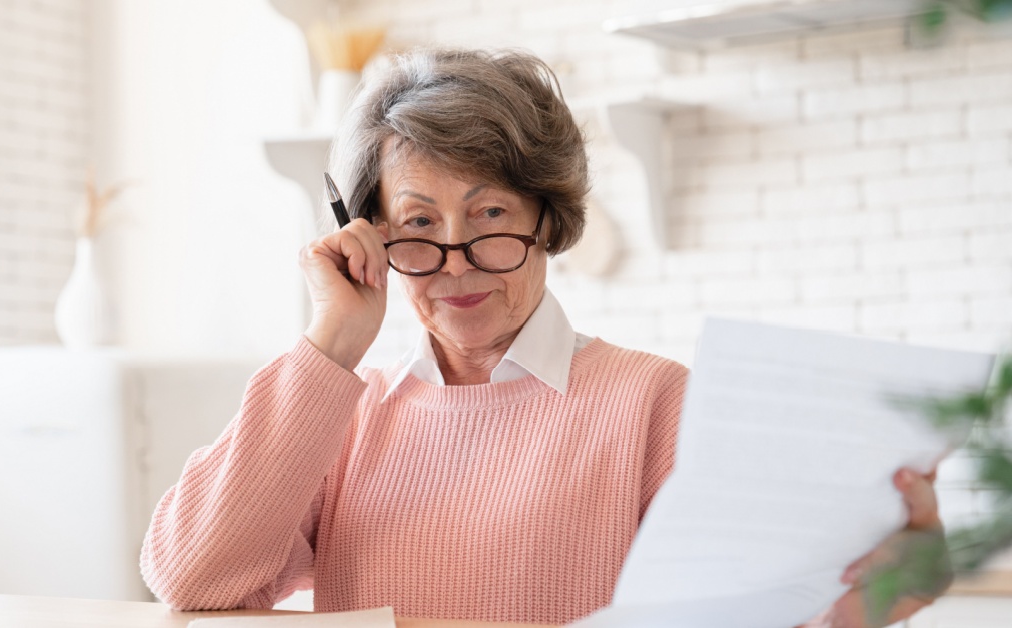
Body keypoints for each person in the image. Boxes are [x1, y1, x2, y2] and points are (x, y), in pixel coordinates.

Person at [139, 48, 951, 626]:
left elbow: (742, 616)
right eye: (419, 224)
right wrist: (331, 344)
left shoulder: (655, 401)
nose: (457, 263)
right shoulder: (343, 409)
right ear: (373, 238)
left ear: (547, 220)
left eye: (491, 216)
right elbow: (191, 577)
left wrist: (859, 612)